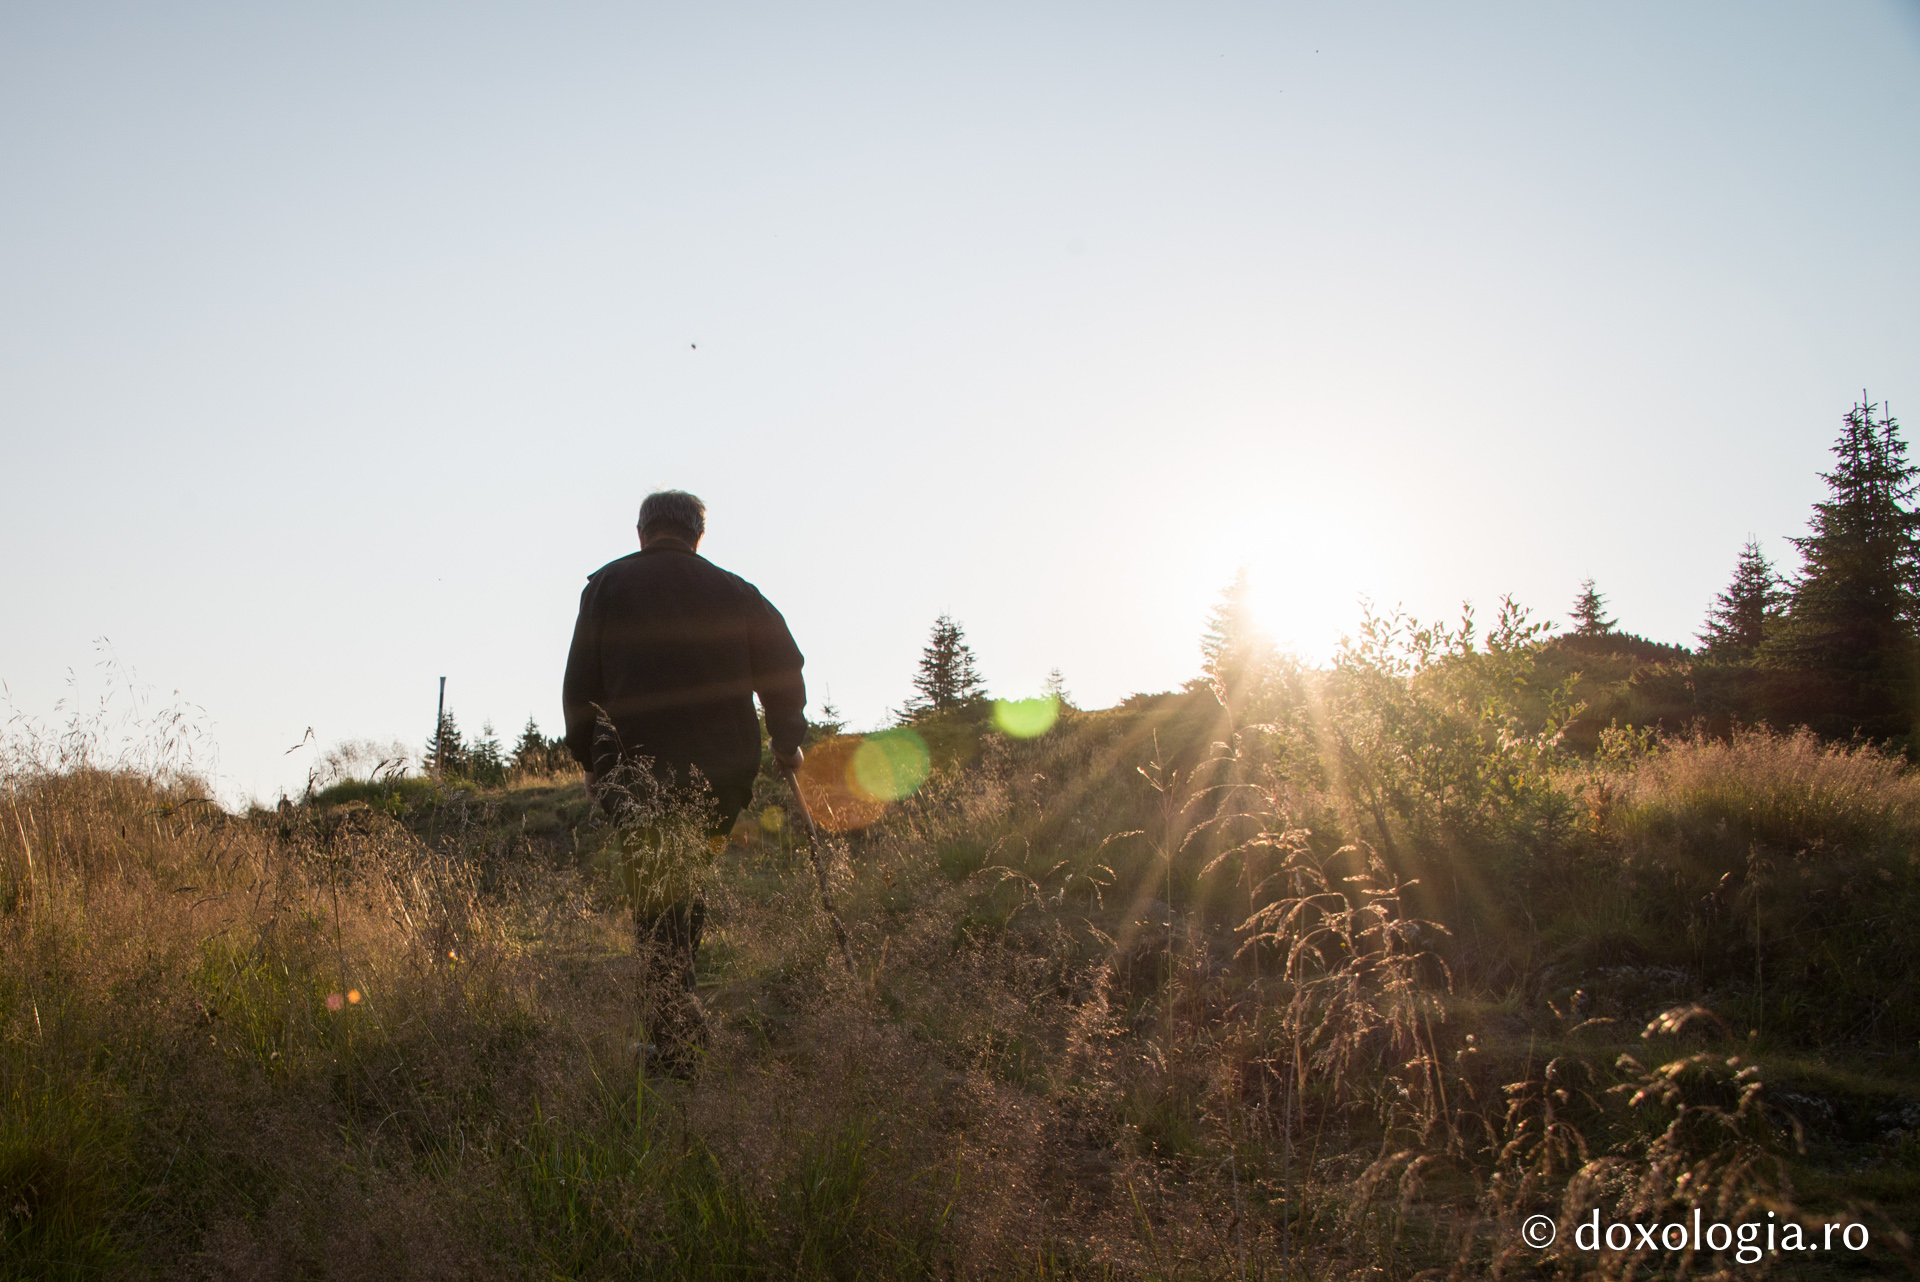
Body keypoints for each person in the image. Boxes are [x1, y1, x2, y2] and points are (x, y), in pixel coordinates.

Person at [562, 489, 806, 1068]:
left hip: (636, 767)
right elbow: (783, 666)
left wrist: (590, 761)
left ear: (643, 531)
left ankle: (673, 1044)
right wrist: (788, 740)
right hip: (721, 772)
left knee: (658, 893)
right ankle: (677, 1027)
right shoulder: (736, 591)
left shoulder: (608, 587)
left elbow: (580, 685)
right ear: (698, 535)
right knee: (682, 884)